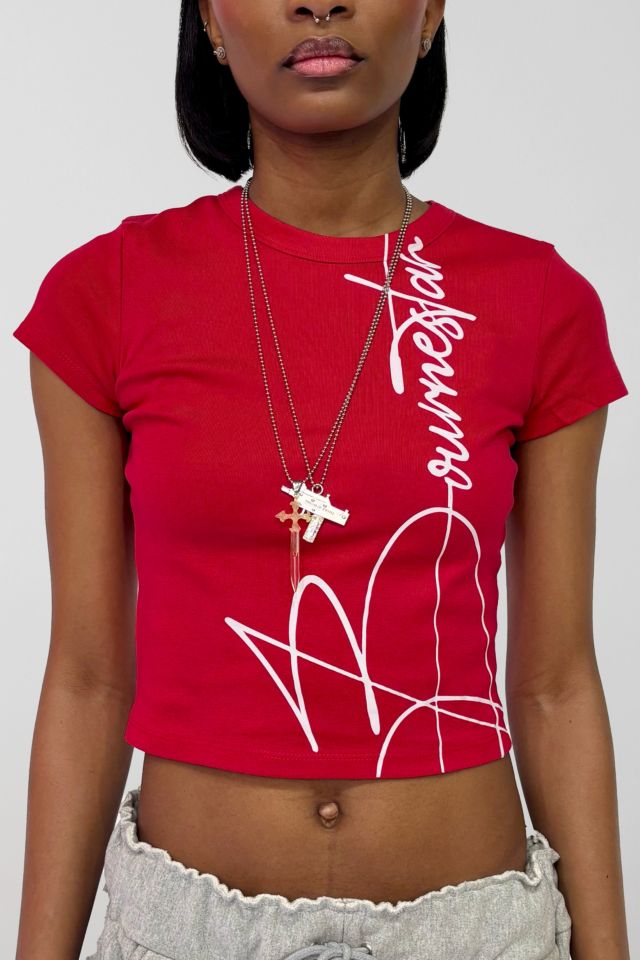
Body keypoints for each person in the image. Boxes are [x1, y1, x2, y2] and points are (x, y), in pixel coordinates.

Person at [11, 2, 632, 959]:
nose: (321, 4)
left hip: (472, 931)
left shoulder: (539, 301)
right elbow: (89, 680)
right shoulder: (107, 293)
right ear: (212, 22)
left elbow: (555, 686)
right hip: (186, 931)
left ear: (430, 15)